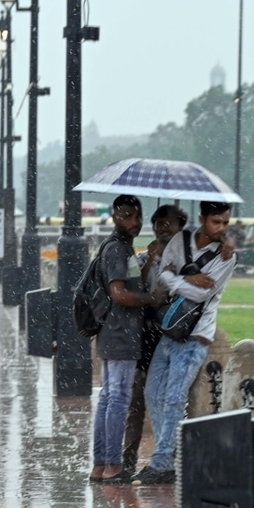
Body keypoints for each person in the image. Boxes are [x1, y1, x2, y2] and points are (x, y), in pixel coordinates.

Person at [133, 200, 237, 485]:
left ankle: (163, 461)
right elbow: (165, 277)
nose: (222, 228)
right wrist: (186, 277)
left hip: (196, 333)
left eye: (225, 223)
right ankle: (170, 451)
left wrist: (176, 276)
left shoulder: (227, 256)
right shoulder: (180, 240)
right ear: (202, 219)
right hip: (170, 330)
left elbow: (202, 295)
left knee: (175, 396)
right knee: (153, 392)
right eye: (216, 222)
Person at [90, 196, 161, 483]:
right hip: (121, 334)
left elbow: (130, 282)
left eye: (137, 216)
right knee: (117, 399)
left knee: (108, 398)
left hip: (113, 332)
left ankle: (100, 465)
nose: (134, 222)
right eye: (127, 216)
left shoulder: (121, 248)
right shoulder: (118, 249)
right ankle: (113, 466)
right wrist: (151, 298)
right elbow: (119, 293)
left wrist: (151, 259)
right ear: (115, 217)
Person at [121, 205, 186, 473]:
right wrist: (151, 260)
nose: (162, 227)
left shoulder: (186, 261)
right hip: (145, 338)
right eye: (158, 223)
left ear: (180, 227)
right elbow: (133, 289)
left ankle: (169, 460)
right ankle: (127, 461)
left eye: (168, 223)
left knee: (173, 402)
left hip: (175, 337)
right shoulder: (141, 258)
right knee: (136, 403)